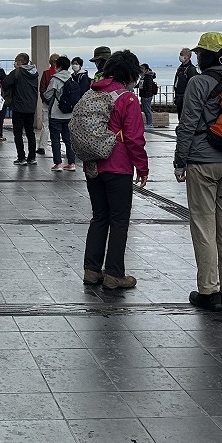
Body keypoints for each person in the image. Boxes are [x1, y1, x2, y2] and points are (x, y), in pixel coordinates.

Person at [173, 32, 222, 312]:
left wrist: (179, 161)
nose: (197, 57)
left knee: (204, 224)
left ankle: (209, 291)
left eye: (199, 53)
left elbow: (187, 124)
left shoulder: (200, 82)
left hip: (203, 162)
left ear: (208, 55)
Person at [82, 50, 150, 289]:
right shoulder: (127, 99)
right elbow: (134, 138)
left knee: (99, 217)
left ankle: (91, 270)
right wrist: (142, 167)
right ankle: (114, 274)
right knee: (119, 220)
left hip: (93, 164)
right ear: (131, 73)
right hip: (118, 166)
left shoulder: (94, 92)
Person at [5, 53, 39, 164]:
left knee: (18, 133)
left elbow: (5, 82)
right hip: (31, 106)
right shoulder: (35, 73)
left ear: (20, 61)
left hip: (19, 106)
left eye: (16, 60)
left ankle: (21, 157)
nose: (15, 63)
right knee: (30, 132)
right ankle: (32, 157)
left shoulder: (17, 72)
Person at [44, 56, 76, 171]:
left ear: (58, 66)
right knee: (68, 139)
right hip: (69, 114)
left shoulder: (55, 79)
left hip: (56, 114)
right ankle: (71, 163)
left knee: (56, 140)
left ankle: (58, 164)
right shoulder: (72, 78)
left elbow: (47, 95)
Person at [174, 47, 198, 120]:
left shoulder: (191, 69)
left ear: (188, 56)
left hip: (185, 97)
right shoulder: (180, 68)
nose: (180, 56)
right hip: (179, 96)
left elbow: (192, 85)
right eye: (180, 54)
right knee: (180, 116)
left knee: (186, 117)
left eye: (182, 54)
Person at [138, 63, 158, 128]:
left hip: (147, 95)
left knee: (147, 109)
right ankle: (148, 123)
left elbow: (149, 87)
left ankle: (150, 124)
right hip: (143, 94)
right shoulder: (143, 76)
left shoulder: (148, 76)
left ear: (146, 69)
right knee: (145, 109)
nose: (141, 70)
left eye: (142, 69)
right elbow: (140, 85)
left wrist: (147, 95)